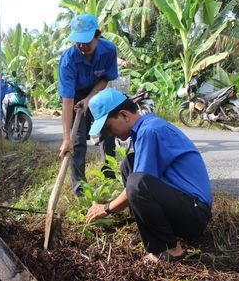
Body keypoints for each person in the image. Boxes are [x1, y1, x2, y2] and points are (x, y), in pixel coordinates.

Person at [85, 88, 212, 264]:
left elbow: (139, 186)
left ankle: (170, 249)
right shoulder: (146, 128)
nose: (110, 134)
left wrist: (107, 208)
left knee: (137, 182)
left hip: (195, 214)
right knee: (129, 163)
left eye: (108, 127)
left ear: (124, 115)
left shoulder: (150, 131)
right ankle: (151, 231)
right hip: (184, 206)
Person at [58, 13, 118, 196]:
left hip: (97, 91)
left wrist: (90, 98)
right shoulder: (68, 60)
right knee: (77, 140)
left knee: (109, 130)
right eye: (78, 42)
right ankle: (81, 190)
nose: (82, 47)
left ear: (97, 35)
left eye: (87, 42)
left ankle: (109, 176)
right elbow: (67, 101)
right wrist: (66, 138)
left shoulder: (108, 50)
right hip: (75, 96)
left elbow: (106, 79)